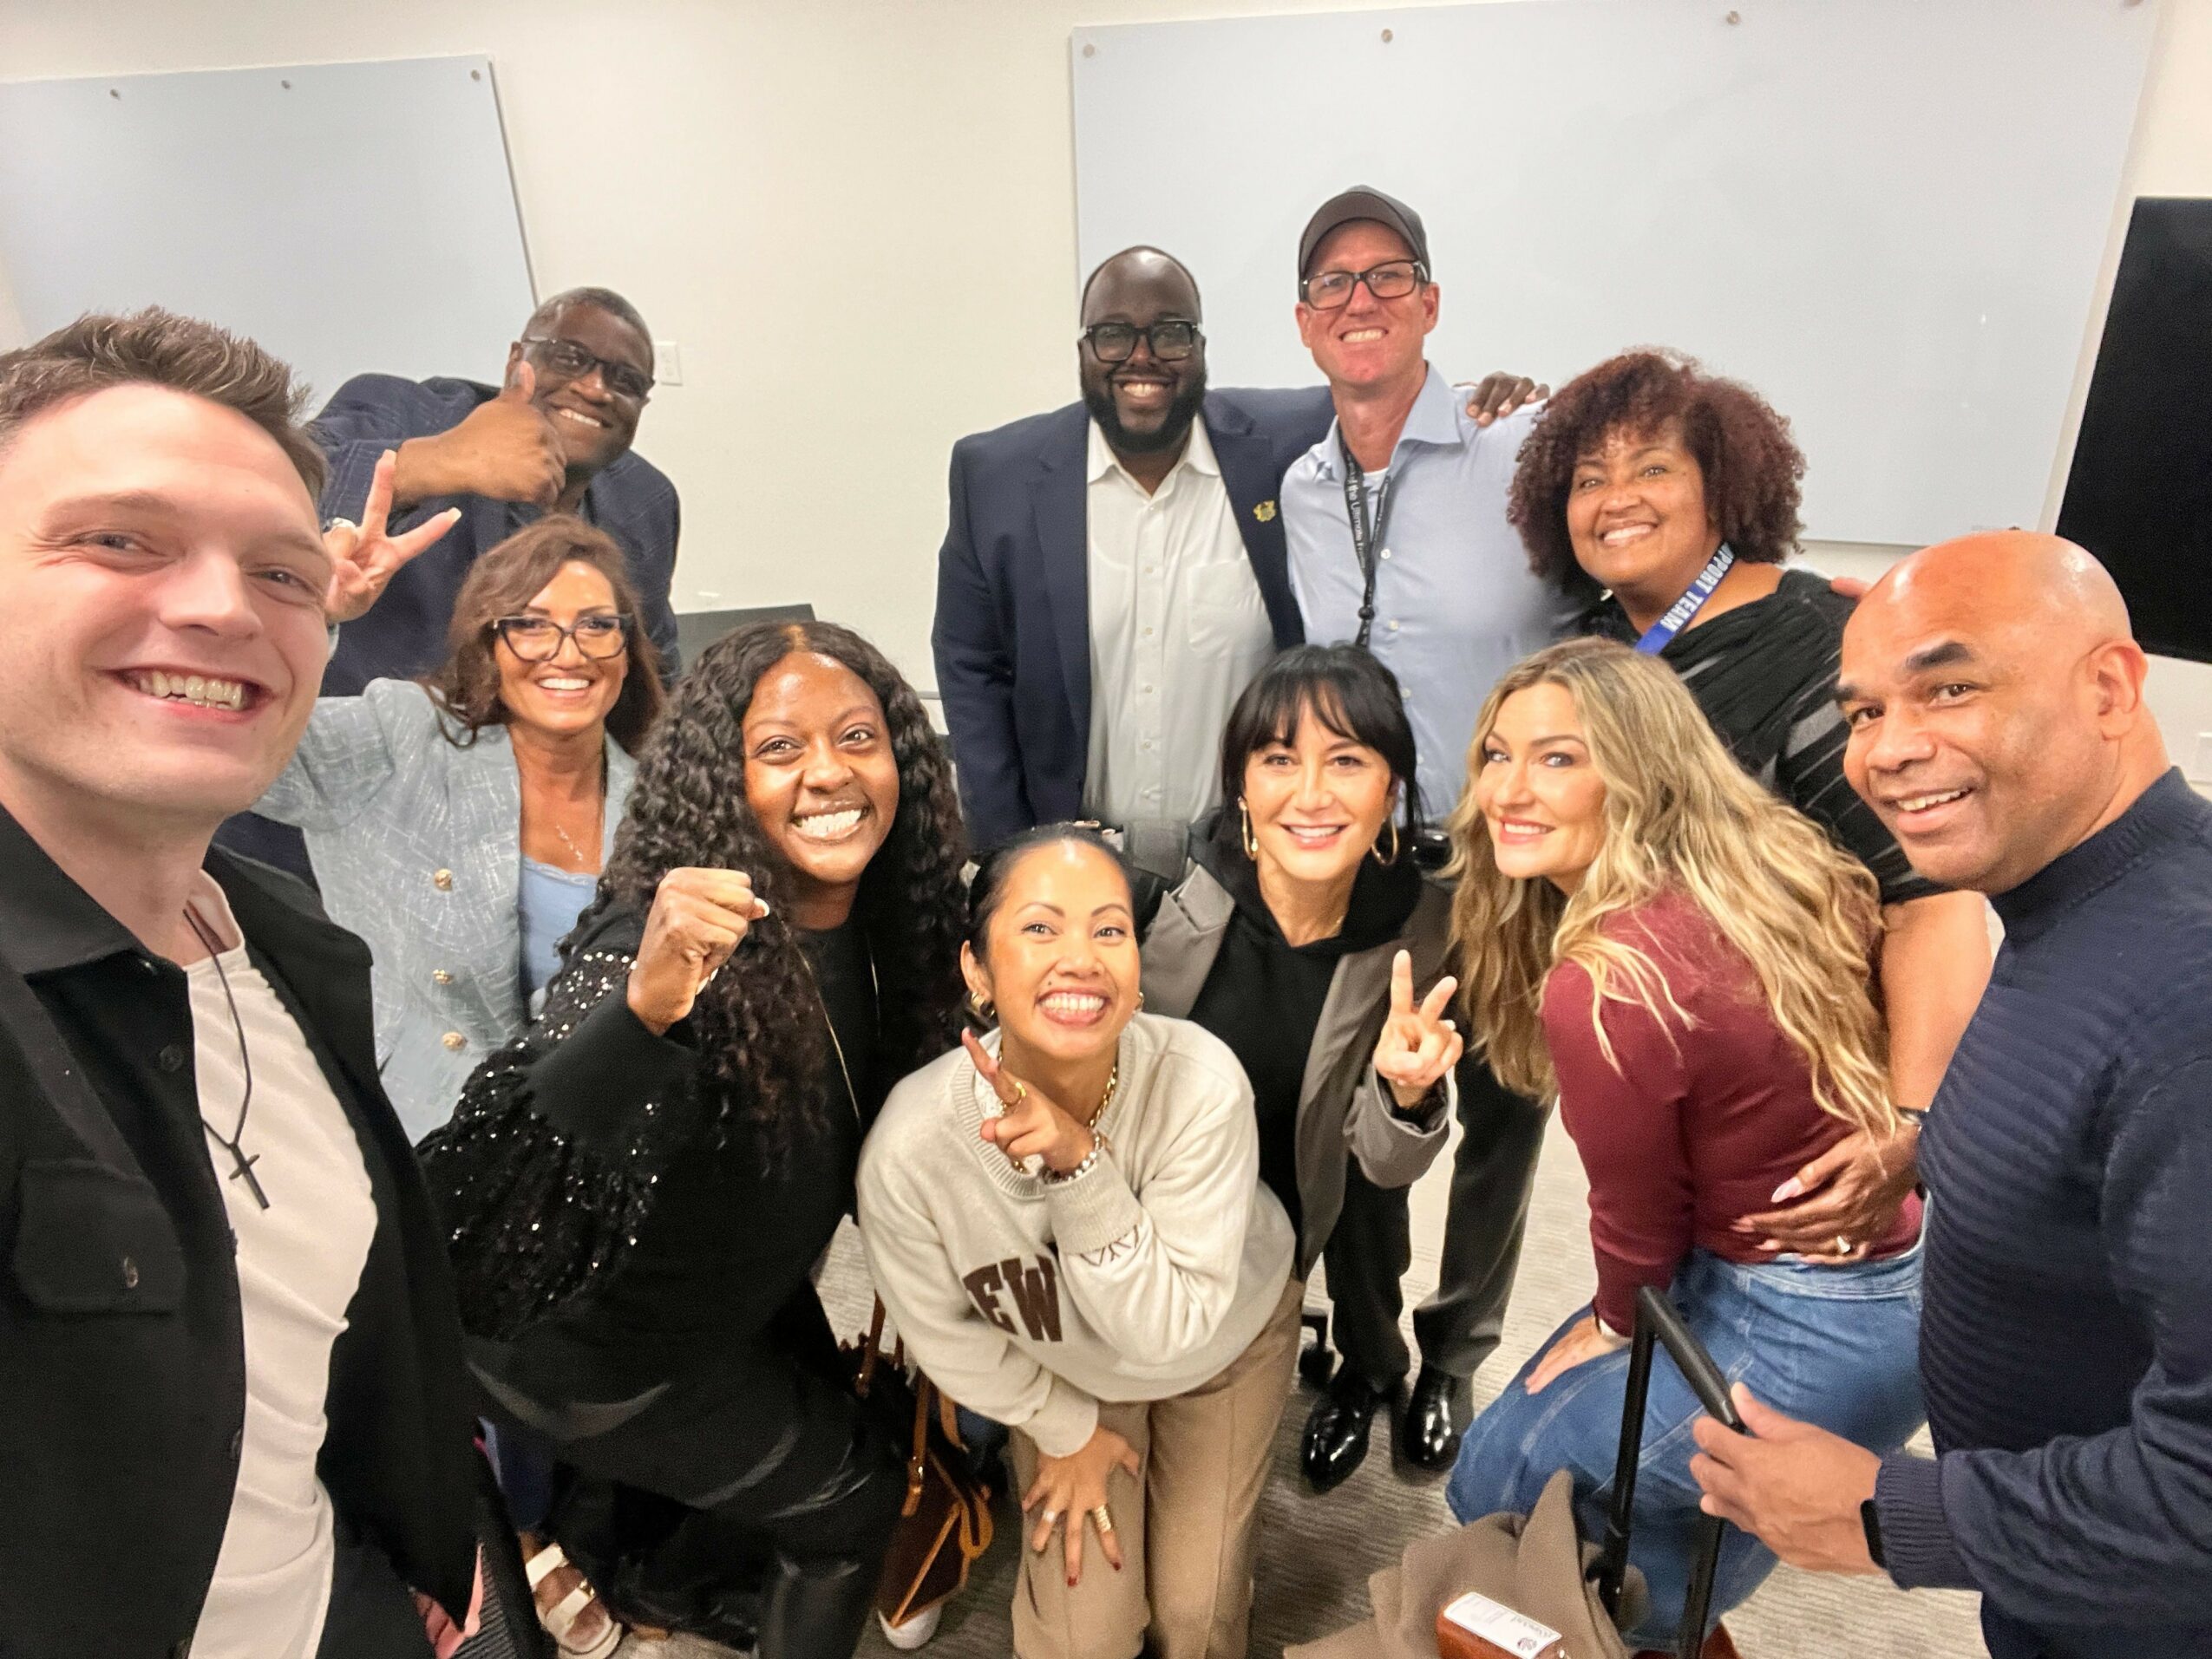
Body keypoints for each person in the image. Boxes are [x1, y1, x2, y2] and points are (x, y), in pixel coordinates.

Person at [0, 308, 481, 1655]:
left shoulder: (283, 944)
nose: (217, 604)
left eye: (281, 572)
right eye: (119, 539)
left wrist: (418, 1544)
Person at [1690, 533, 2212, 1659]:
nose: (1887, 751)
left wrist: (1888, 1515)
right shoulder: (2070, 901)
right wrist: (1926, 1145)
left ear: (2111, 686)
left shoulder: (2186, 1003)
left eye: (1948, 687)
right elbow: (2088, 1109)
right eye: (1864, 710)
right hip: (2062, 1599)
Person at [448, 619, 970, 1659]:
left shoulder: (884, 926)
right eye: (780, 747)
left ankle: (661, 1577)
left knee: (831, 1431)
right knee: (860, 1504)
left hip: (731, 1297)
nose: (828, 772)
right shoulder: (668, 941)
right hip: (590, 1350)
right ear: (721, 778)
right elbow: (499, 1183)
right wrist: (640, 1009)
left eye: (858, 737)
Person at [862, 823, 1451, 1659]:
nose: (1080, 956)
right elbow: (939, 1326)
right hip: (1067, 1369)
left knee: (1198, 1612)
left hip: (1222, 1341)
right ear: (976, 972)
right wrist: (1057, 1424)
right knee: (1085, 1637)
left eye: (1109, 929)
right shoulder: (913, 1144)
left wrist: (1077, 1163)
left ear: (1140, 973)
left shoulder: (1203, 1083)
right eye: (1039, 927)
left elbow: (1164, 1328)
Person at [1442, 638, 1925, 1655]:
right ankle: (1677, 1623)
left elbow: (1636, 1221)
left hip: (1800, 1317)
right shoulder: (1772, 866)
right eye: (1496, 753)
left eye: (1559, 757)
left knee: (1493, 1481)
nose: (1509, 790)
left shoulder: (1611, 977)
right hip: (1897, 1282)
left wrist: (1614, 1318)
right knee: (1631, 1514)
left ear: (1640, 765)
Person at [1508, 349, 1993, 1258]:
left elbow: (1928, 899)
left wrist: (1912, 1121)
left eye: (1653, 467)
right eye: (1588, 478)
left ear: (1722, 486)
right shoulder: (1604, 650)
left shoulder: (1820, 644)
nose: (1618, 497)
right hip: (1693, 1097)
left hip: (1813, 1116)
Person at [1279, 186, 1580, 1473]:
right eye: (1333, 283)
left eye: (1386, 275)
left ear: (1431, 304)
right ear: (1303, 325)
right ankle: (1364, 1354)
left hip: (1507, 862)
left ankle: (1455, 1356)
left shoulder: (1530, 459)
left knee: (1505, 1114)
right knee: (1360, 1115)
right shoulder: (1290, 481)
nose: (1360, 300)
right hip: (1363, 857)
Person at [932, 245, 1537, 869]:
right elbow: (970, 664)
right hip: (1073, 864)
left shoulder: (1285, 442)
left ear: (1200, 349)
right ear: (1084, 349)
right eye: (1113, 335)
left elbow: (1389, 400)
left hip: (1253, 865)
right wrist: (1012, 853)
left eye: (1171, 335)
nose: (1142, 358)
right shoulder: (996, 477)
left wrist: (1486, 401)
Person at [1136, 644, 1544, 1493]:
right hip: (1175, 1209)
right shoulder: (1162, 889)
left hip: (1330, 1176)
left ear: (1391, 789)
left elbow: (1391, 1154)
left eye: (1348, 760)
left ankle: (1372, 1366)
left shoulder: (1430, 924)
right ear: (1241, 785)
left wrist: (1406, 1092)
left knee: (1366, 1191)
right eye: (1280, 759)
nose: (1313, 792)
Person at [224, 285, 678, 877]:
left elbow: (657, 671)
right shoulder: (408, 411)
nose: (594, 387)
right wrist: (438, 460)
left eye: (623, 378)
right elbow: (264, 492)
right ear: (519, 357)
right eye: (569, 357)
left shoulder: (644, 500)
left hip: (521, 844)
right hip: (324, 827)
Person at [253, 513, 662, 1142]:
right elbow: (249, 753)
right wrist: (309, 614)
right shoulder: (405, 734)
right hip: (407, 1130)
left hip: (583, 1143)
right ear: (488, 642)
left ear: (626, 648)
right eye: (530, 625)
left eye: (596, 626)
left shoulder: (658, 804)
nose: (568, 652)